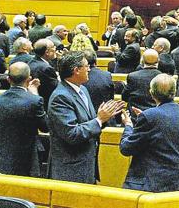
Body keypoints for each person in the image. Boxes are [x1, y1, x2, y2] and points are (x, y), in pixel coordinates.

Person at [47, 51, 124, 184]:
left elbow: (89, 122)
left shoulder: (83, 90)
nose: (89, 69)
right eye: (86, 66)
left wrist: (104, 118)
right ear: (76, 70)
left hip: (86, 163)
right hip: (70, 170)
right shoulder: (61, 97)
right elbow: (72, 134)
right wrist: (99, 120)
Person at [120, 73, 179, 192]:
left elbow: (126, 148)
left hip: (153, 184)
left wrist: (128, 125)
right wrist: (145, 118)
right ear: (174, 92)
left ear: (152, 93)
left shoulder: (150, 116)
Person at [0, 62, 48, 177]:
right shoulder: (35, 101)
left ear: (8, 79)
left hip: (1, 159)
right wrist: (35, 93)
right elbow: (45, 127)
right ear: (29, 79)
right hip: (28, 160)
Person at [122, 49, 162, 116]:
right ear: (158, 60)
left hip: (134, 117)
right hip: (155, 116)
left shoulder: (132, 76)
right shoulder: (163, 78)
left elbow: (124, 97)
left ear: (142, 61)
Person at [28, 38, 59, 110]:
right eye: (53, 47)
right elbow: (56, 88)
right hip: (46, 105)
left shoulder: (32, 61)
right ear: (47, 52)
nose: (55, 49)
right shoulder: (46, 68)